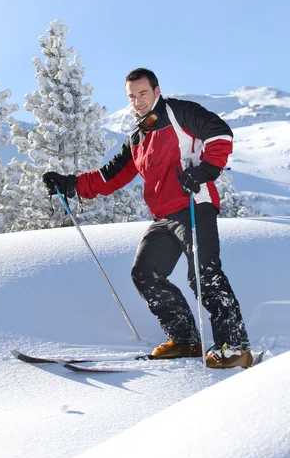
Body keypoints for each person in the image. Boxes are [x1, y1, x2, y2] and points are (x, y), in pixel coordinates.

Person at [43, 68, 252, 369]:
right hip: (164, 216)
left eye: (143, 93)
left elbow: (219, 134)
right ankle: (185, 340)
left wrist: (205, 170)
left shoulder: (180, 112)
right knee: (145, 274)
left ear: (156, 91)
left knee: (204, 275)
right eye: (132, 96)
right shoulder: (137, 138)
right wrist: (70, 184)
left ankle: (235, 348)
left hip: (194, 204)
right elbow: (109, 176)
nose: (138, 101)